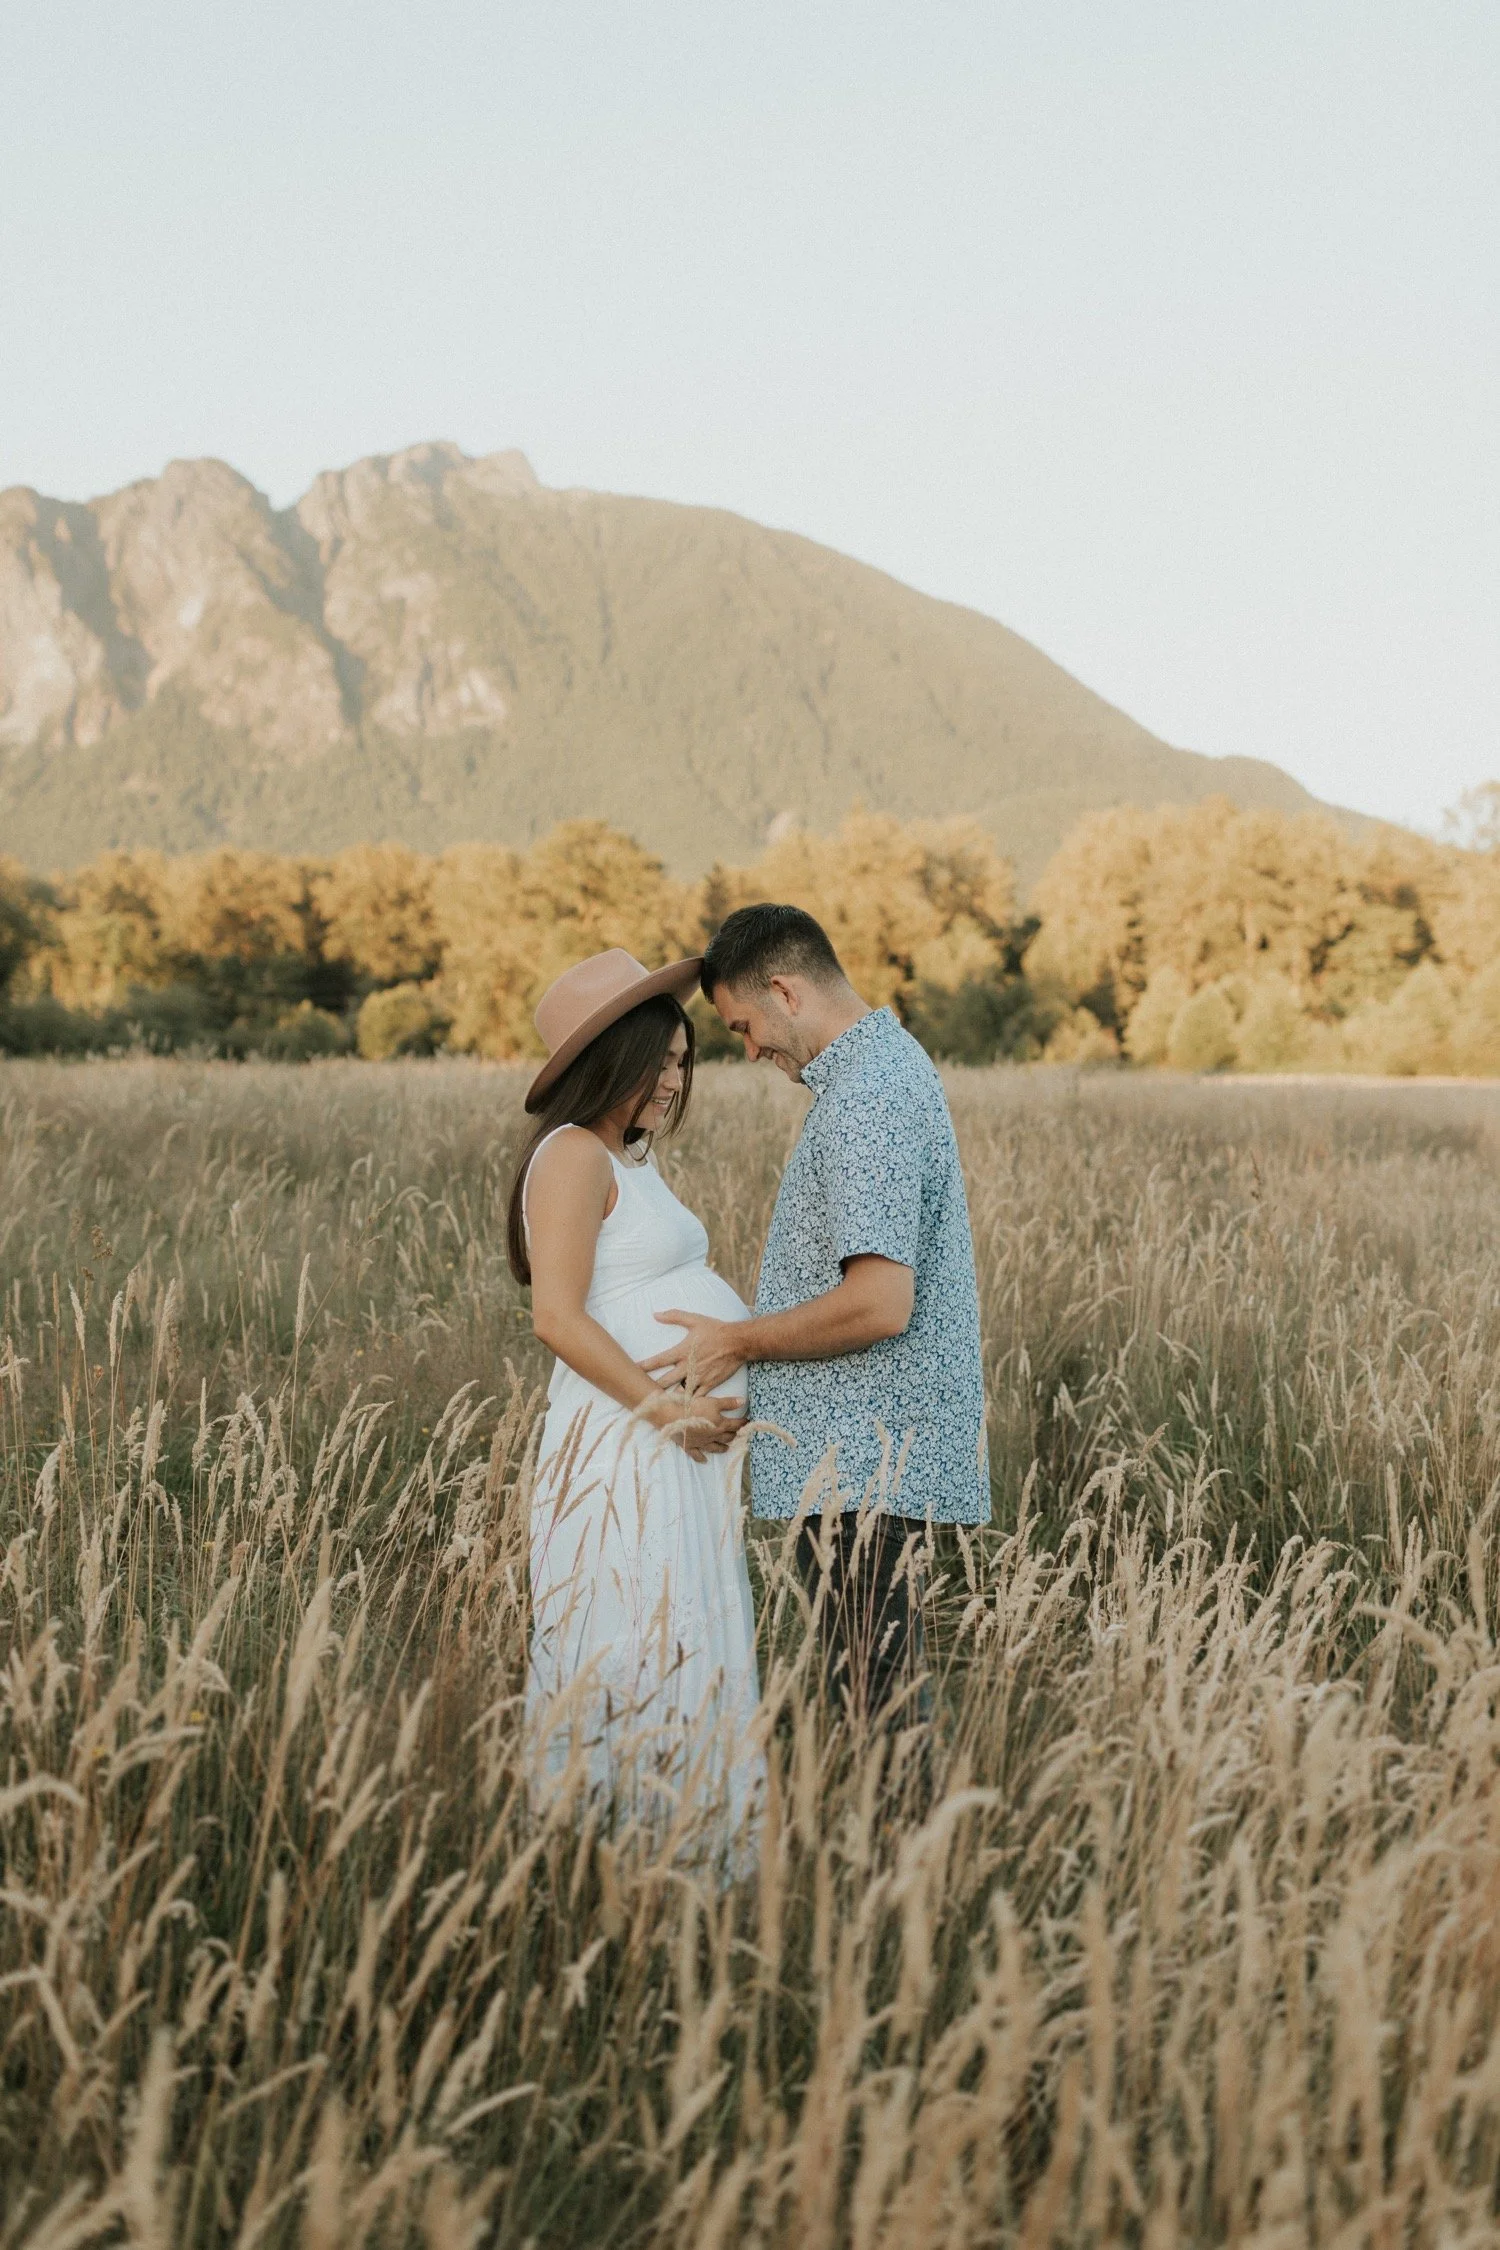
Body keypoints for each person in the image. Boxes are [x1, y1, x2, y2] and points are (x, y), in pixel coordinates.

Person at [642, 904, 989, 1725]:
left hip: (865, 1462)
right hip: (870, 1456)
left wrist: (737, 1341)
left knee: (878, 1710)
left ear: (785, 991)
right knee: (878, 1696)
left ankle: (898, 1817)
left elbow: (879, 1303)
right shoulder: (882, 1070)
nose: (749, 1050)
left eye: (743, 1027)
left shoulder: (867, 1096)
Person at [508, 948, 763, 1837]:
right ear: (609, 1061)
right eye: (658, 1064)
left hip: (669, 1443)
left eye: (683, 1062)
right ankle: (616, 1842)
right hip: (626, 1441)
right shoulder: (573, 1155)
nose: (674, 1081)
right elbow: (556, 1316)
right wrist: (667, 1410)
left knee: (678, 1630)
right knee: (630, 1633)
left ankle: (683, 1840)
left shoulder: (629, 1156)